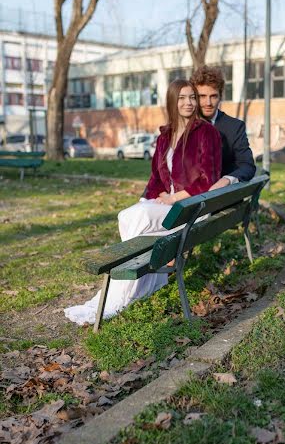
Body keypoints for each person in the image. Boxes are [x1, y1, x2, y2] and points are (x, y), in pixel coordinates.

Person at [65, 80, 222, 325]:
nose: (189, 102)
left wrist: (174, 198)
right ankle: (148, 282)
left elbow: (207, 179)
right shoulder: (165, 136)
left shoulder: (206, 132)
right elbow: (156, 179)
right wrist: (144, 202)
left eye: (192, 97)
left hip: (189, 207)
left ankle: (121, 295)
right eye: (182, 98)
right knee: (127, 215)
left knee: (139, 217)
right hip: (167, 207)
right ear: (172, 101)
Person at [190, 65, 256, 190]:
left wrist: (227, 180)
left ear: (220, 96)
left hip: (219, 200)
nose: (208, 103)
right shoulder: (185, 125)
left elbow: (247, 165)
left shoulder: (235, 127)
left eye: (213, 96)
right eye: (202, 96)